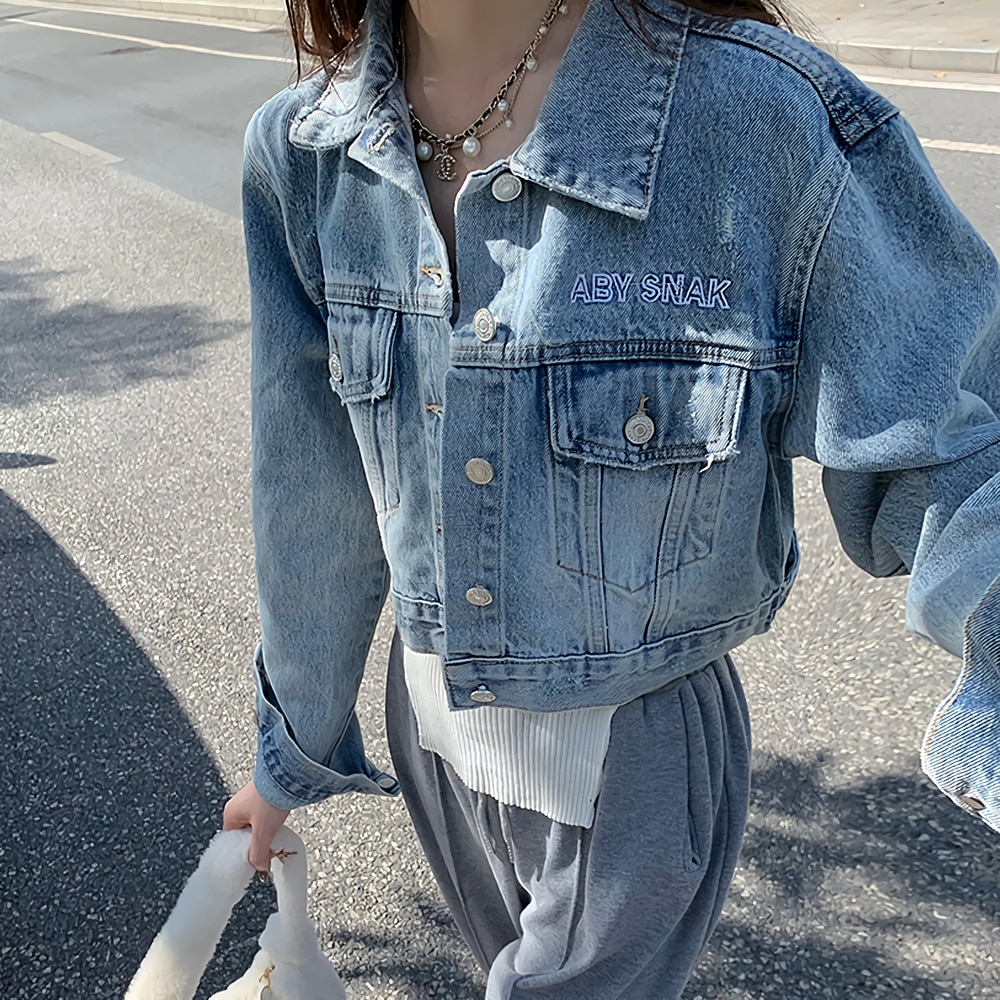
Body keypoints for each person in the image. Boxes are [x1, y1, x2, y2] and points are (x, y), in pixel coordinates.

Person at [221, 0, 1000, 995]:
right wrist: (289, 751)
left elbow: (956, 446)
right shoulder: (304, 151)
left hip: (630, 756)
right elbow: (311, 489)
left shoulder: (758, 116)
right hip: (433, 731)